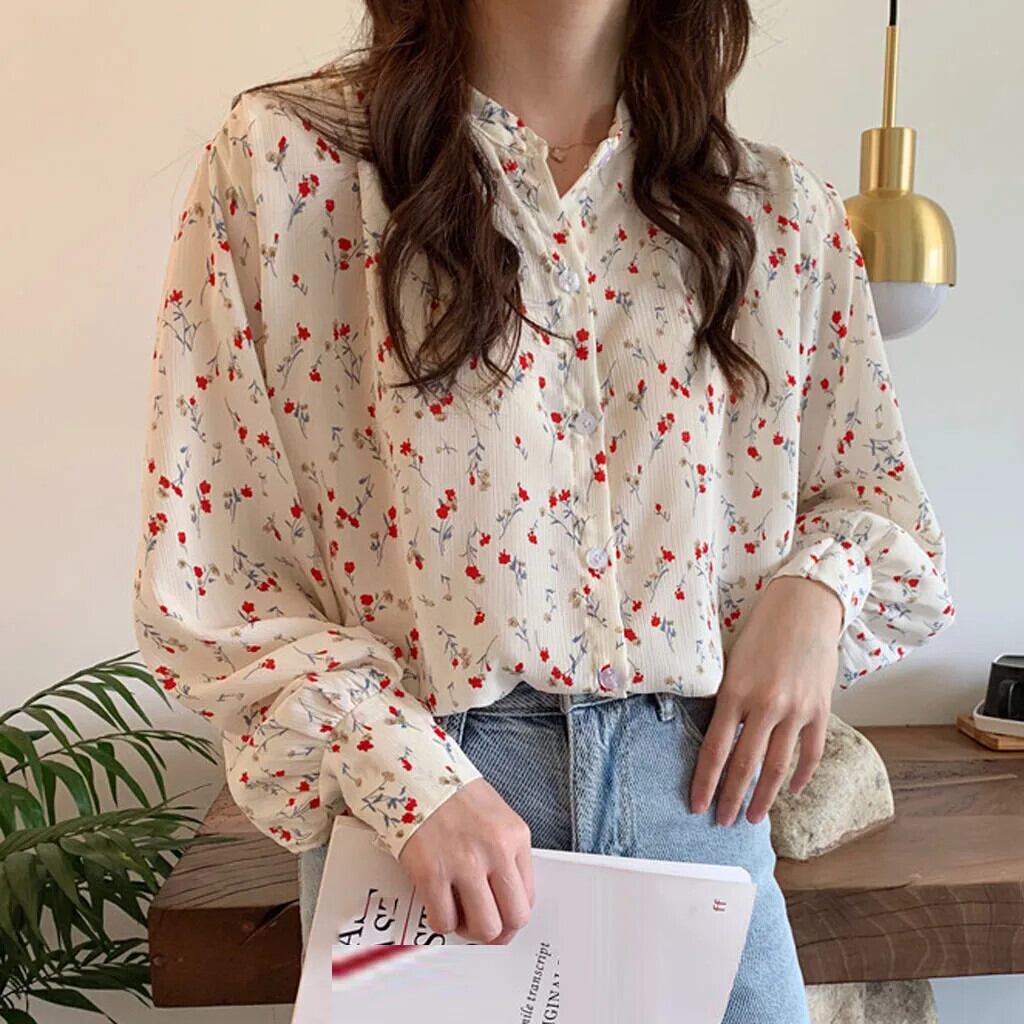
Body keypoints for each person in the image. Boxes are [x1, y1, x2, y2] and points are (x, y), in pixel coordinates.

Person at [131, 1, 956, 1019]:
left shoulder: (774, 213)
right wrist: (403, 773)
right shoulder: (287, 169)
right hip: (424, 826)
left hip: (697, 811)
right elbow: (214, 565)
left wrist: (817, 591)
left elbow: (877, 504)